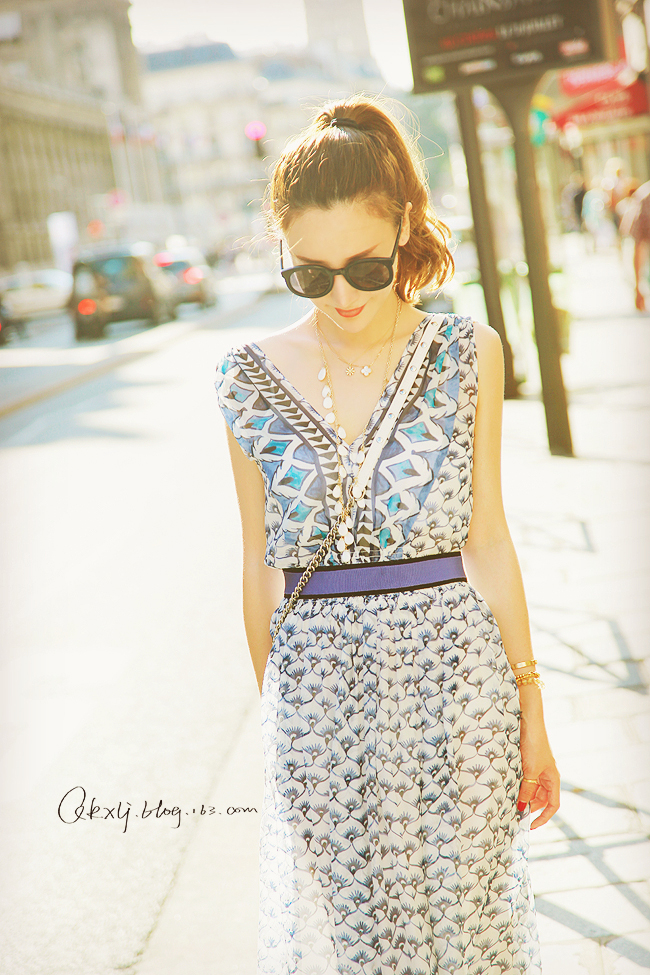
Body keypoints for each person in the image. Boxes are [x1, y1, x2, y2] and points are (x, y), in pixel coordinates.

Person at [215, 95, 560, 974]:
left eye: (366, 268)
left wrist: (532, 710)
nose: (342, 296)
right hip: (320, 699)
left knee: (470, 936)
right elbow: (258, 564)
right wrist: (282, 719)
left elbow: (488, 538)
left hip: (461, 688)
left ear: (403, 227)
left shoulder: (468, 351)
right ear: (282, 249)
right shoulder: (245, 377)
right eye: (310, 275)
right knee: (361, 948)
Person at [620, 179, 650, 312]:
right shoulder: (645, 197)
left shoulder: (644, 195)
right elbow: (638, 245)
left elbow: (638, 246)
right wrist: (638, 287)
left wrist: (638, 288)